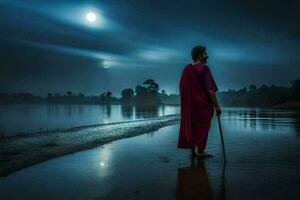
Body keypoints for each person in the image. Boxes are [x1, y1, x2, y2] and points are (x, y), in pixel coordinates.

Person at [177, 45, 221, 158]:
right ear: (200, 56)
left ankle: (193, 149)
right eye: (205, 53)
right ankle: (200, 151)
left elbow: (182, 87)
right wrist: (217, 106)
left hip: (190, 106)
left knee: (193, 126)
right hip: (202, 105)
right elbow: (210, 90)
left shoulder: (186, 69)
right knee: (203, 127)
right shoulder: (204, 69)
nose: (207, 56)